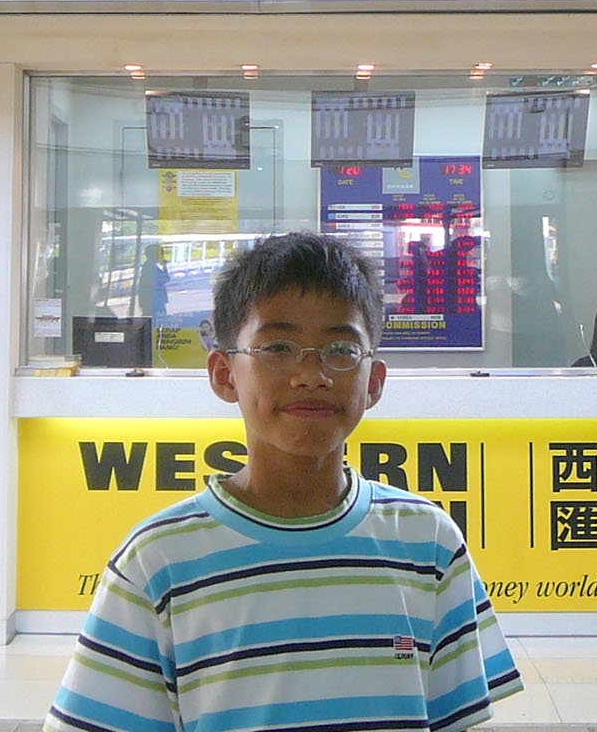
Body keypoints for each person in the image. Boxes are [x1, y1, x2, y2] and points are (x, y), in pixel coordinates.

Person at [46, 231, 522, 732]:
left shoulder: (429, 543)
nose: (311, 374)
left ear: (374, 381)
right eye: (278, 347)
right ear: (225, 374)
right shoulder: (156, 562)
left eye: (341, 348)